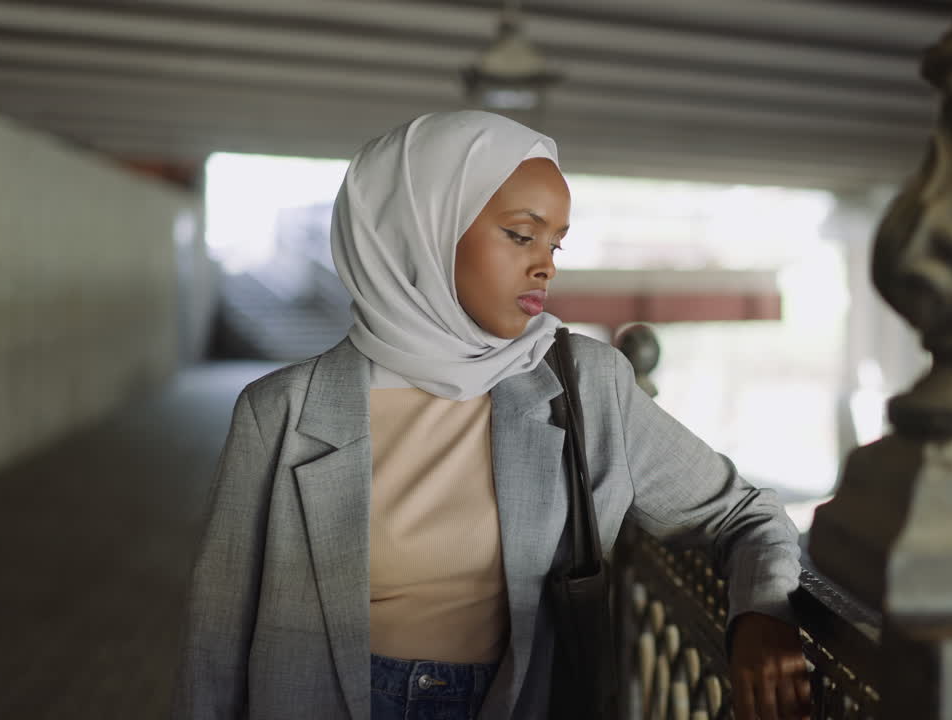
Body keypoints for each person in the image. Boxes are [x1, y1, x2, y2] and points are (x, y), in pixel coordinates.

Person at [170, 111, 808, 720]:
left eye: (556, 242)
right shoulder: (280, 411)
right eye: (520, 234)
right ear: (422, 229)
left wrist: (761, 613)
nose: (545, 264)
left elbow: (744, 514)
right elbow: (216, 642)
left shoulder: (585, 384)